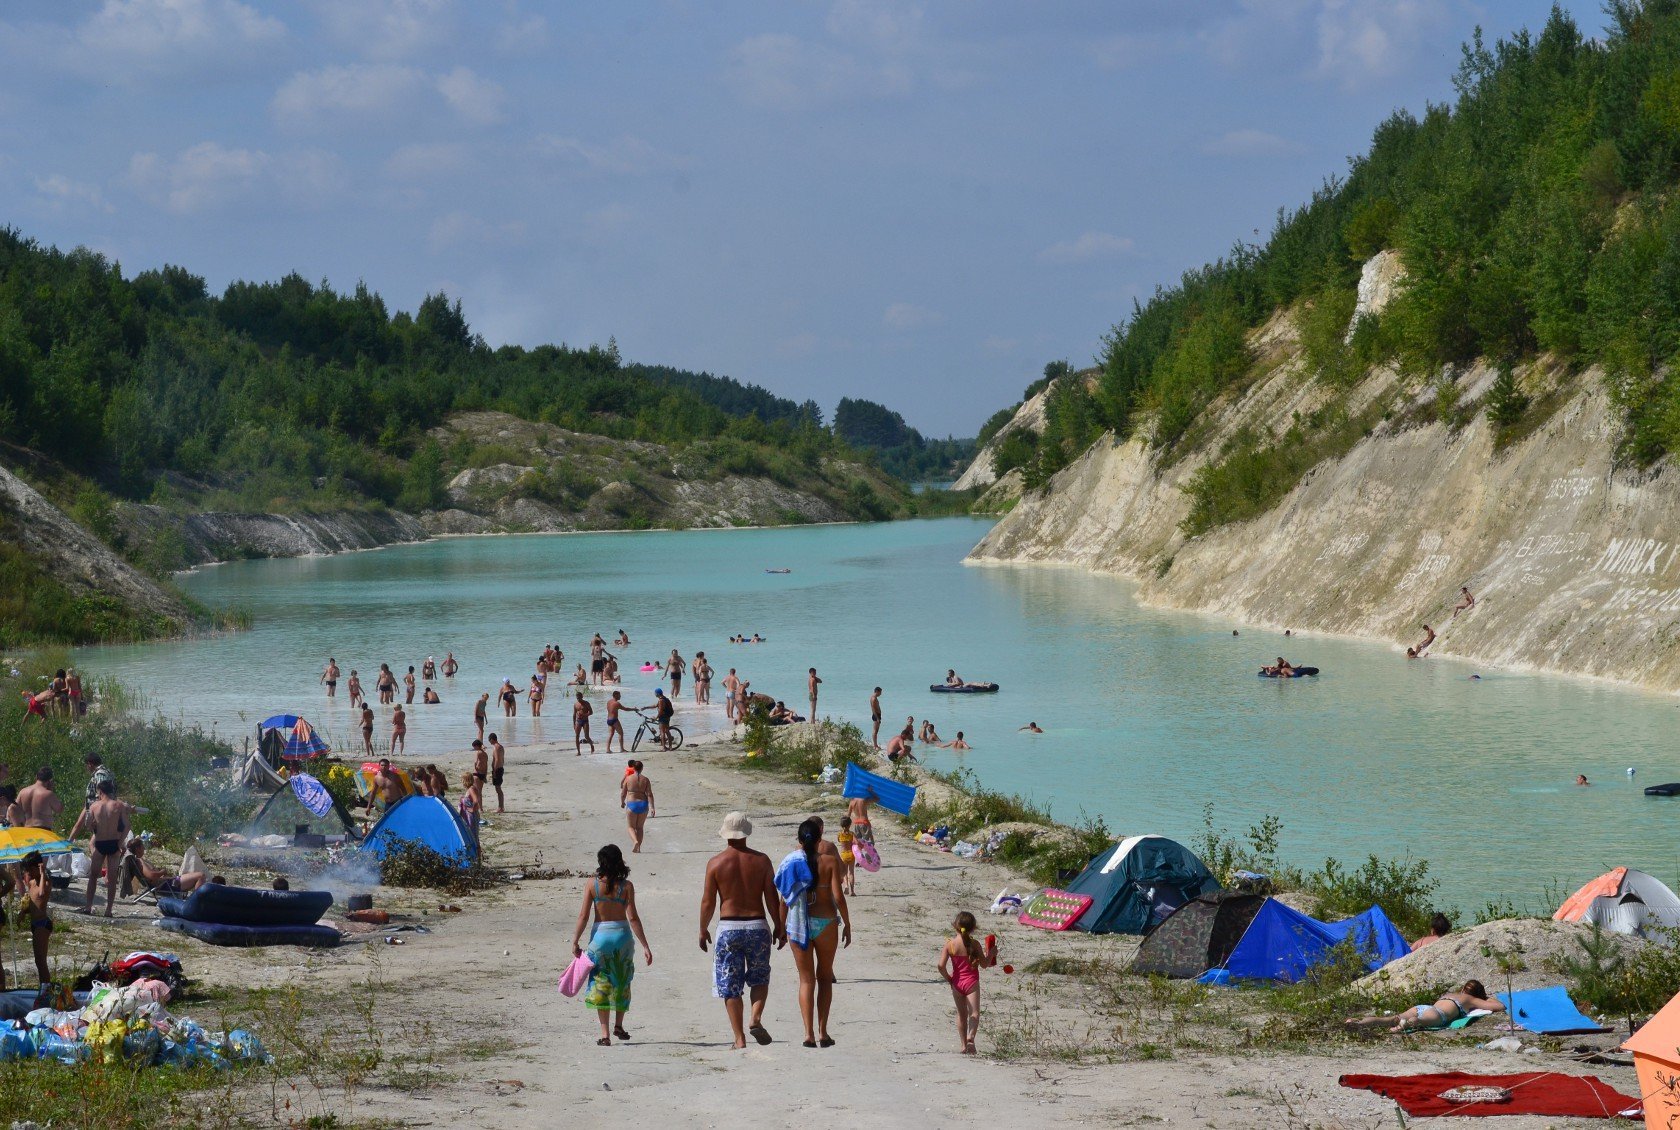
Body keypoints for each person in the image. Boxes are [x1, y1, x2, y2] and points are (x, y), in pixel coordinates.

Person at [699, 812, 786, 1049]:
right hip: (757, 926)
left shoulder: (715, 863)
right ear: (746, 833)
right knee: (759, 977)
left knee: (730, 985)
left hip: (728, 928)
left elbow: (708, 902)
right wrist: (779, 926)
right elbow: (771, 898)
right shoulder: (762, 861)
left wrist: (702, 929)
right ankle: (755, 1018)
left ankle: (739, 1038)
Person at [571, 844, 653, 1046]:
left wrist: (575, 940)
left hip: (600, 938)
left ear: (601, 862)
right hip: (623, 937)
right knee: (622, 979)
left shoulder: (592, 884)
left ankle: (605, 1034)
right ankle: (619, 1025)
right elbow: (633, 918)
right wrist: (645, 945)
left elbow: (584, 915)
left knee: (601, 982)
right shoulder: (627, 886)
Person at [779, 817, 850, 1048]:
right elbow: (838, 897)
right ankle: (823, 1032)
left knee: (806, 980)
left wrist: (780, 927)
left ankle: (808, 1034)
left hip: (798, 924)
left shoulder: (790, 862)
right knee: (825, 977)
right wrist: (847, 924)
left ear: (799, 840)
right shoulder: (829, 861)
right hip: (826, 921)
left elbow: (784, 898)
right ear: (820, 838)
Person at [938, 911, 997, 1054]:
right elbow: (984, 964)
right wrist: (991, 954)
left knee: (961, 1014)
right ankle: (971, 1037)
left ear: (955, 926)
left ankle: (963, 1045)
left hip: (957, 983)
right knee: (974, 1013)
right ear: (973, 928)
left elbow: (940, 966)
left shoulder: (950, 945)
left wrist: (949, 979)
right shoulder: (975, 944)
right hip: (971, 983)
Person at [1346, 980, 1505, 1032]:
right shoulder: (1471, 999)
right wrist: (1486, 998)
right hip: (1438, 1013)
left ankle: (1357, 1022)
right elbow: (1499, 1006)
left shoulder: (1451, 993)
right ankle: (1401, 1027)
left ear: (1463, 988)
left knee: (1390, 1018)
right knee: (1416, 1022)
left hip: (1423, 1006)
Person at [79, 779, 129, 917]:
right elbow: (127, 826)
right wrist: (120, 842)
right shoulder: (119, 805)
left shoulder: (95, 806)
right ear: (111, 791)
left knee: (93, 876)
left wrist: (94, 826)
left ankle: (88, 906)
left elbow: (88, 825)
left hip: (100, 842)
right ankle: (108, 910)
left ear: (100, 792)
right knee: (112, 879)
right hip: (113, 842)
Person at [122, 837, 206, 897]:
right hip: (166, 884)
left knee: (197, 875)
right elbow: (152, 875)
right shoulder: (140, 861)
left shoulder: (138, 861)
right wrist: (163, 871)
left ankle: (196, 899)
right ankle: (196, 901)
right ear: (137, 848)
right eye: (142, 846)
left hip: (167, 882)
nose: (144, 848)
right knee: (200, 876)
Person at [20, 851, 51, 985]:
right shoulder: (31, 883)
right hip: (35, 924)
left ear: (37, 867)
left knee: (41, 961)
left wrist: (42, 874)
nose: (29, 873)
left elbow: (41, 894)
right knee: (37, 961)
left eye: (30, 870)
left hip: (42, 924)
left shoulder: (46, 882)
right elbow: (32, 903)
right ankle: (42, 987)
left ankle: (46, 989)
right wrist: (23, 913)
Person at [621, 760, 654, 852]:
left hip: (632, 804)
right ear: (642, 768)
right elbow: (650, 794)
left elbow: (623, 793)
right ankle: (638, 847)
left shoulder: (628, 779)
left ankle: (635, 841)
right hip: (643, 804)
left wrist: (622, 802)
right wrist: (652, 807)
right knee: (640, 828)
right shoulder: (646, 780)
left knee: (631, 827)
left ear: (633, 768)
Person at [458, 772, 482, 843]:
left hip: (471, 815)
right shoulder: (471, 788)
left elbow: (476, 800)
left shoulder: (471, 789)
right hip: (469, 814)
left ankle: (476, 851)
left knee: (472, 834)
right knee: (471, 834)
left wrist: (472, 809)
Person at [836, 815, 857, 896]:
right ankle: (852, 891)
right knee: (851, 872)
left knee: (844, 872)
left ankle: (846, 886)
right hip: (851, 854)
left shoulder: (839, 834)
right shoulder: (852, 834)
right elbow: (856, 842)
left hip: (843, 855)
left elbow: (838, 841)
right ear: (850, 825)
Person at [489, 733, 506, 813]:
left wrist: (494, 770)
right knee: (498, 788)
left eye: (489, 740)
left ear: (492, 739)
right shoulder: (501, 747)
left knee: (498, 789)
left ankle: (500, 807)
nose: (489, 742)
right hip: (500, 768)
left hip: (498, 769)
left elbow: (497, 760)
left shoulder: (496, 747)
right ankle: (501, 807)